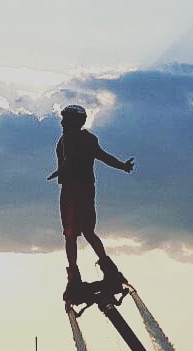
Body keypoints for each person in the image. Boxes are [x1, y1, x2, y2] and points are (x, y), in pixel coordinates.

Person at [47, 105, 134, 301]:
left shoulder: (69, 137)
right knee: (88, 232)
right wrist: (123, 166)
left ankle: (74, 279)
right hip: (88, 189)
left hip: (72, 190)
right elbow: (104, 157)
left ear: (72, 121)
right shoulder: (90, 139)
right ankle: (109, 269)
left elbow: (68, 158)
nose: (62, 122)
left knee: (70, 234)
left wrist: (61, 171)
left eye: (65, 119)